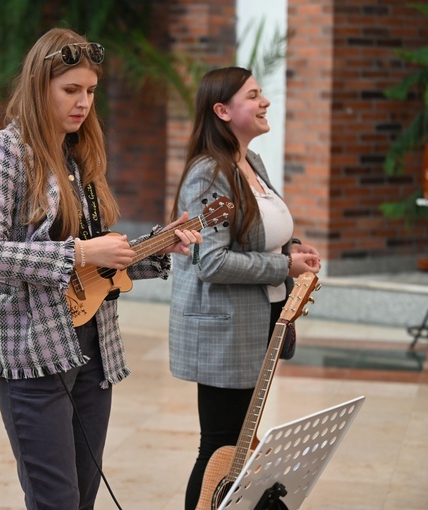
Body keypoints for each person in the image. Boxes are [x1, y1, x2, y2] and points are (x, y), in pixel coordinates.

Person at [0, 28, 202, 509]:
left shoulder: (78, 155)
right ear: (38, 86)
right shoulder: (2, 151)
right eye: (71, 90)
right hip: (32, 348)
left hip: (93, 348)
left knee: (83, 497)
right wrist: (83, 253)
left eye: (90, 91)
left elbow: (95, 266)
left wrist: (159, 247)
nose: (83, 102)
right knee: (56, 500)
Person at [167, 67, 321, 509]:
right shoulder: (207, 173)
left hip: (260, 321)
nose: (265, 101)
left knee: (239, 441)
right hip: (224, 331)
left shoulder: (251, 162)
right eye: (253, 95)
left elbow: (253, 234)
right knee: (218, 445)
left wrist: (291, 249)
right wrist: (281, 265)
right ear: (222, 111)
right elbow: (210, 260)